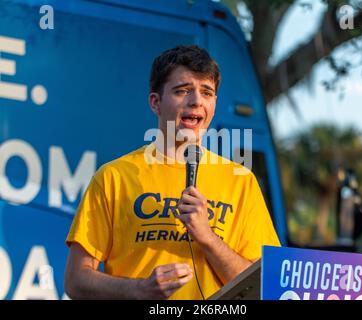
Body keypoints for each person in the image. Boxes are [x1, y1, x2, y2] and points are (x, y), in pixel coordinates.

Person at [64, 45, 280, 300]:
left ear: (213, 104)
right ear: (155, 102)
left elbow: (267, 288)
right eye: (182, 91)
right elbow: (76, 280)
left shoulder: (241, 181)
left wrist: (207, 237)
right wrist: (141, 290)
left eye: (206, 92)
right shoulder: (113, 177)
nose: (196, 101)